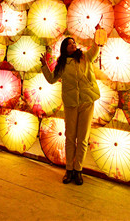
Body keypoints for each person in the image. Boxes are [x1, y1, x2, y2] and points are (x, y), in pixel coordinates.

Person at [39, 26, 106, 185]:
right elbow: (51, 79)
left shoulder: (85, 57)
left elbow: (95, 48)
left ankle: (78, 170)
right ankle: (69, 170)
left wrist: (97, 33)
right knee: (70, 137)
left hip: (86, 102)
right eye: (69, 44)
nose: (73, 45)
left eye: (74, 43)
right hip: (71, 104)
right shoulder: (62, 64)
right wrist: (44, 65)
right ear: (64, 48)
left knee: (82, 138)